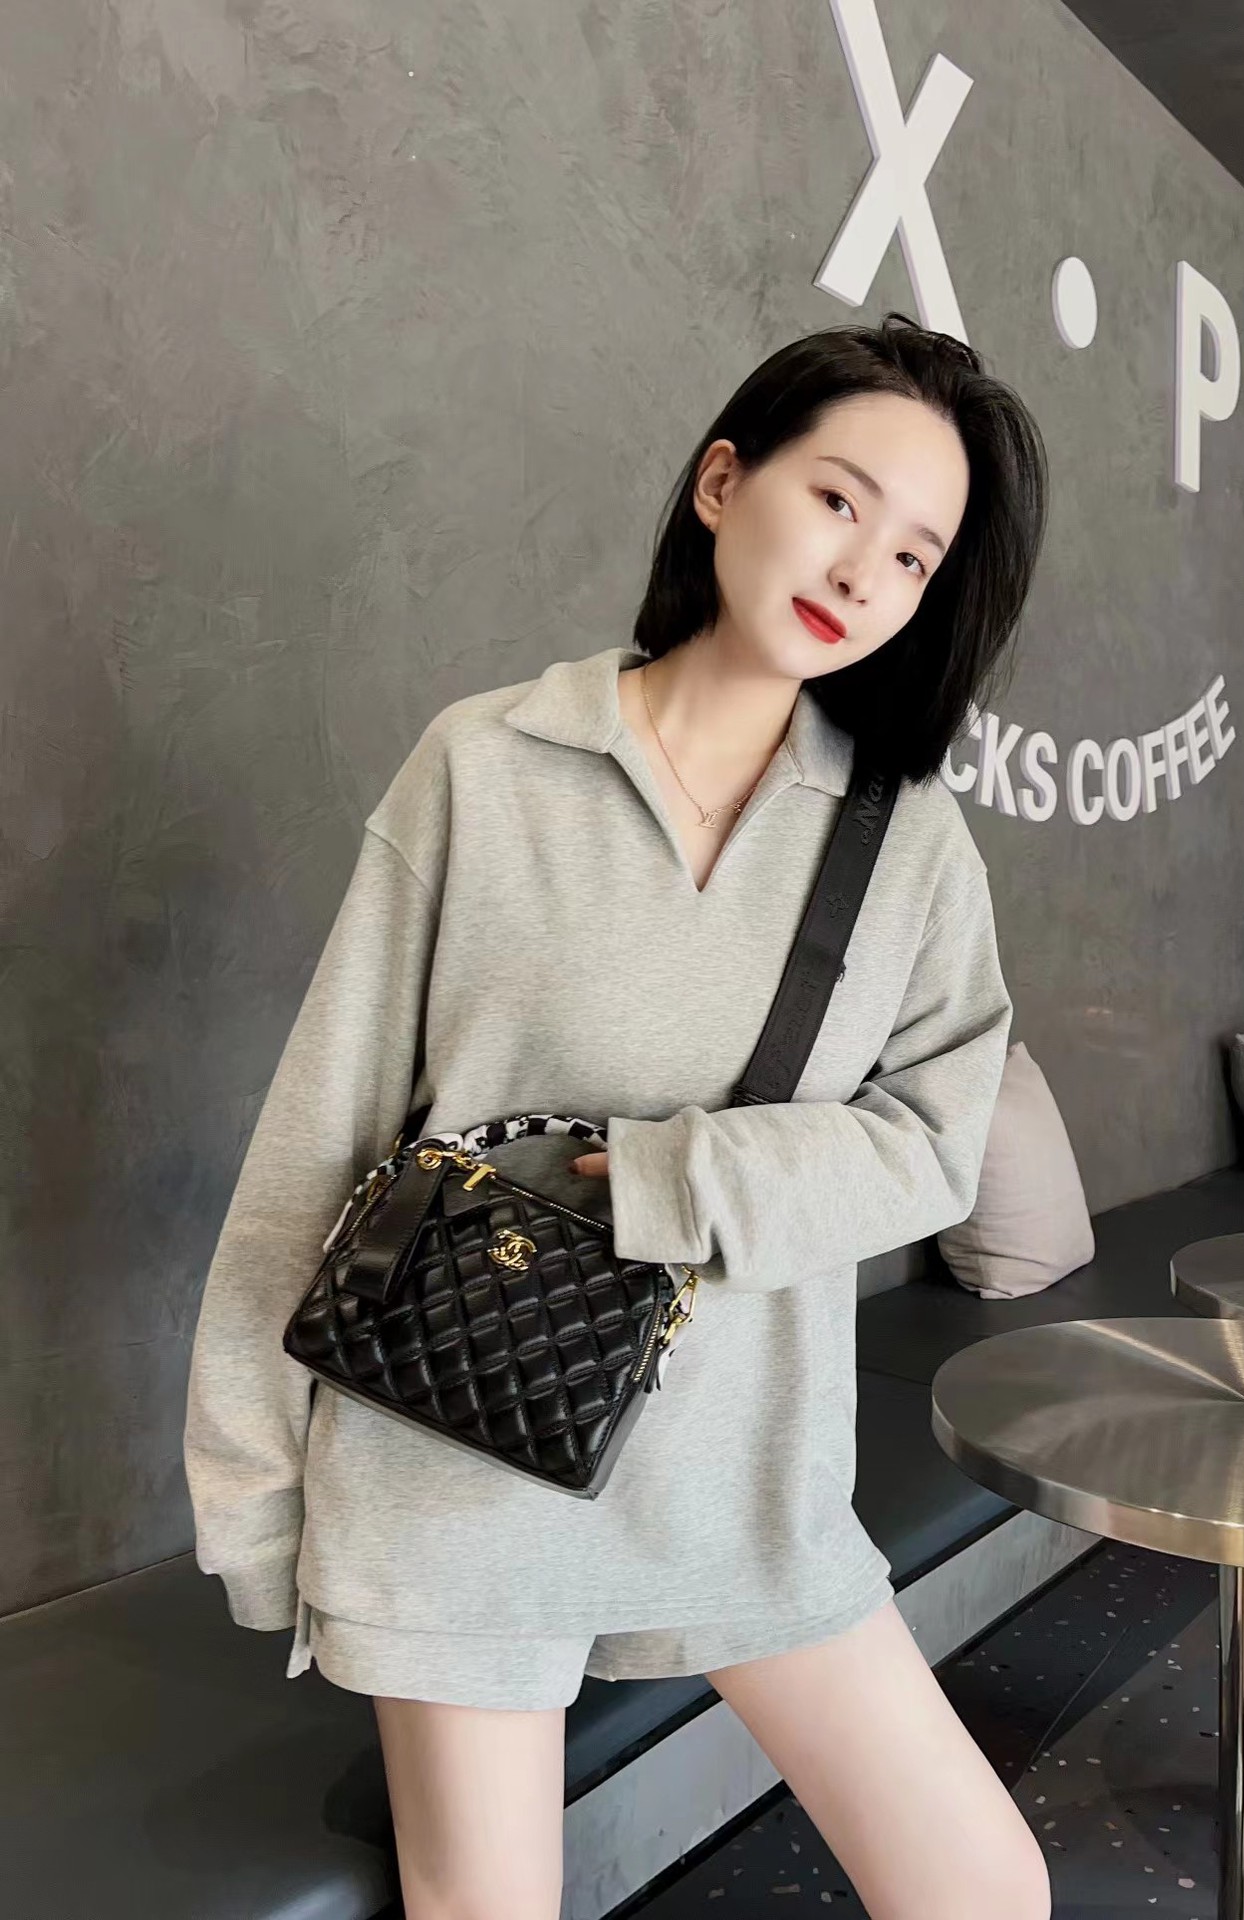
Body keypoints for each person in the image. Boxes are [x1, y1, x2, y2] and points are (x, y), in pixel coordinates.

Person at [183, 312, 1052, 1920]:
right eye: (839, 500)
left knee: (982, 1889)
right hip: (453, 1463)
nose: (863, 573)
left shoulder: (912, 843)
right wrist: (250, 1485)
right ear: (725, 484)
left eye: (914, 556)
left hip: (748, 1469)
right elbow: (322, 1136)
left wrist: (663, 1178)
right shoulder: (487, 764)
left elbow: (936, 1138)